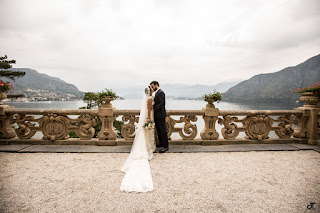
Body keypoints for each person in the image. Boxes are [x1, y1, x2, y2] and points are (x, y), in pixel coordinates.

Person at [120, 86, 156, 193]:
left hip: (147, 117)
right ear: (150, 92)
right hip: (149, 117)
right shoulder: (149, 99)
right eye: (152, 89)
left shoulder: (147, 98)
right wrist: (149, 119)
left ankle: (147, 147)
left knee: (145, 134)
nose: (153, 90)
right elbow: (149, 109)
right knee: (148, 133)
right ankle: (148, 149)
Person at [150, 81, 169, 153]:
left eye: (152, 86)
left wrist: (153, 108)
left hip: (160, 115)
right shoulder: (156, 93)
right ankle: (161, 143)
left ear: (156, 85)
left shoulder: (161, 92)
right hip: (157, 115)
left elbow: (162, 103)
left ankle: (165, 146)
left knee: (163, 130)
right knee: (159, 130)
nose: (152, 88)